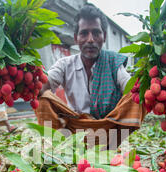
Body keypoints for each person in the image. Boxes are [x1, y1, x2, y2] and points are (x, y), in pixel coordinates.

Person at [36, 4, 145, 149]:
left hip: (107, 130)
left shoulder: (113, 62)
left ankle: (109, 147)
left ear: (104, 36)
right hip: (74, 130)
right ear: (76, 38)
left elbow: (129, 86)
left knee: (138, 96)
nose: (90, 39)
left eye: (96, 33)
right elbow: (43, 86)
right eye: (84, 33)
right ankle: (58, 146)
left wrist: (152, 82)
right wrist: (24, 76)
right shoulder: (64, 64)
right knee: (42, 99)